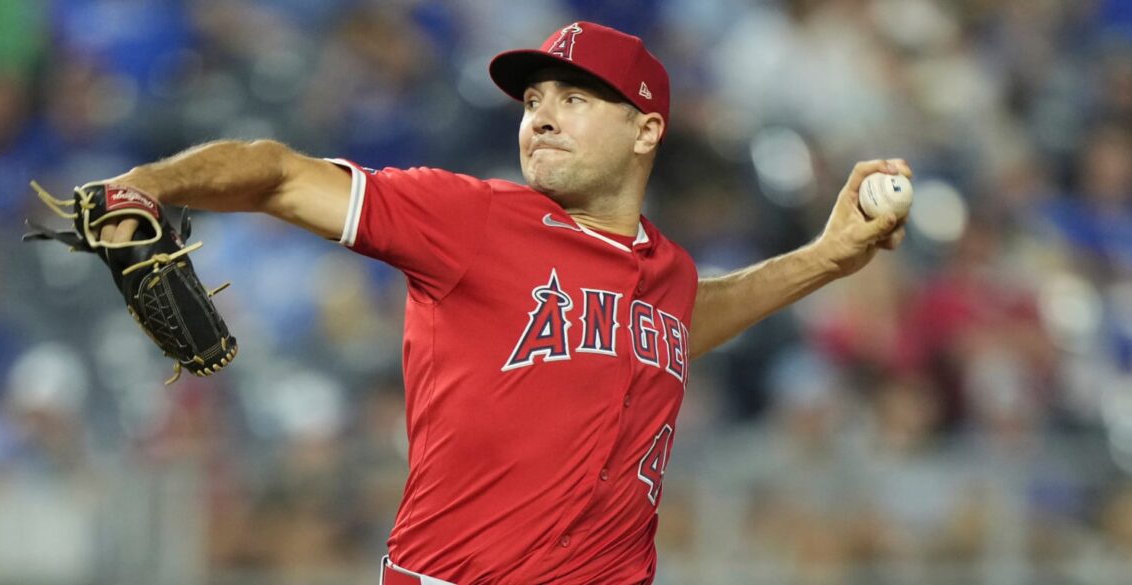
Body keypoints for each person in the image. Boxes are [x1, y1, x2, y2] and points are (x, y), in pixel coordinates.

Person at [92, 21, 907, 585]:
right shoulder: (470, 220)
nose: (542, 116)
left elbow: (681, 320)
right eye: (534, 100)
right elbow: (276, 174)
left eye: (574, 99)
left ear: (647, 131)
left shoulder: (667, 273)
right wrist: (145, 185)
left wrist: (826, 258)